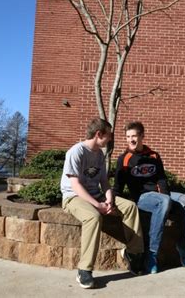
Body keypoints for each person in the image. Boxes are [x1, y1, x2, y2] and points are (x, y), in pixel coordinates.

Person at [60, 118, 144, 289]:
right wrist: (97, 205)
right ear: (99, 134)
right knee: (93, 217)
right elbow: (75, 185)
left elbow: (104, 181)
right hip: (73, 197)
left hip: (96, 195)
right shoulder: (76, 152)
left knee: (130, 207)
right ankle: (84, 270)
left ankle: (133, 254)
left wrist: (109, 199)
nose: (110, 139)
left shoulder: (99, 154)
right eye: (109, 136)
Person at [113, 121, 185, 274]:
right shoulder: (124, 159)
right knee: (163, 201)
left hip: (160, 196)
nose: (131, 139)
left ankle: (184, 249)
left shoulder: (154, 155)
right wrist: (112, 203)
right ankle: (151, 255)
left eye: (134, 136)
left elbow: (162, 179)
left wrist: (166, 199)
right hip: (142, 198)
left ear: (142, 136)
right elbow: (117, 186)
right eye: (127, 136)